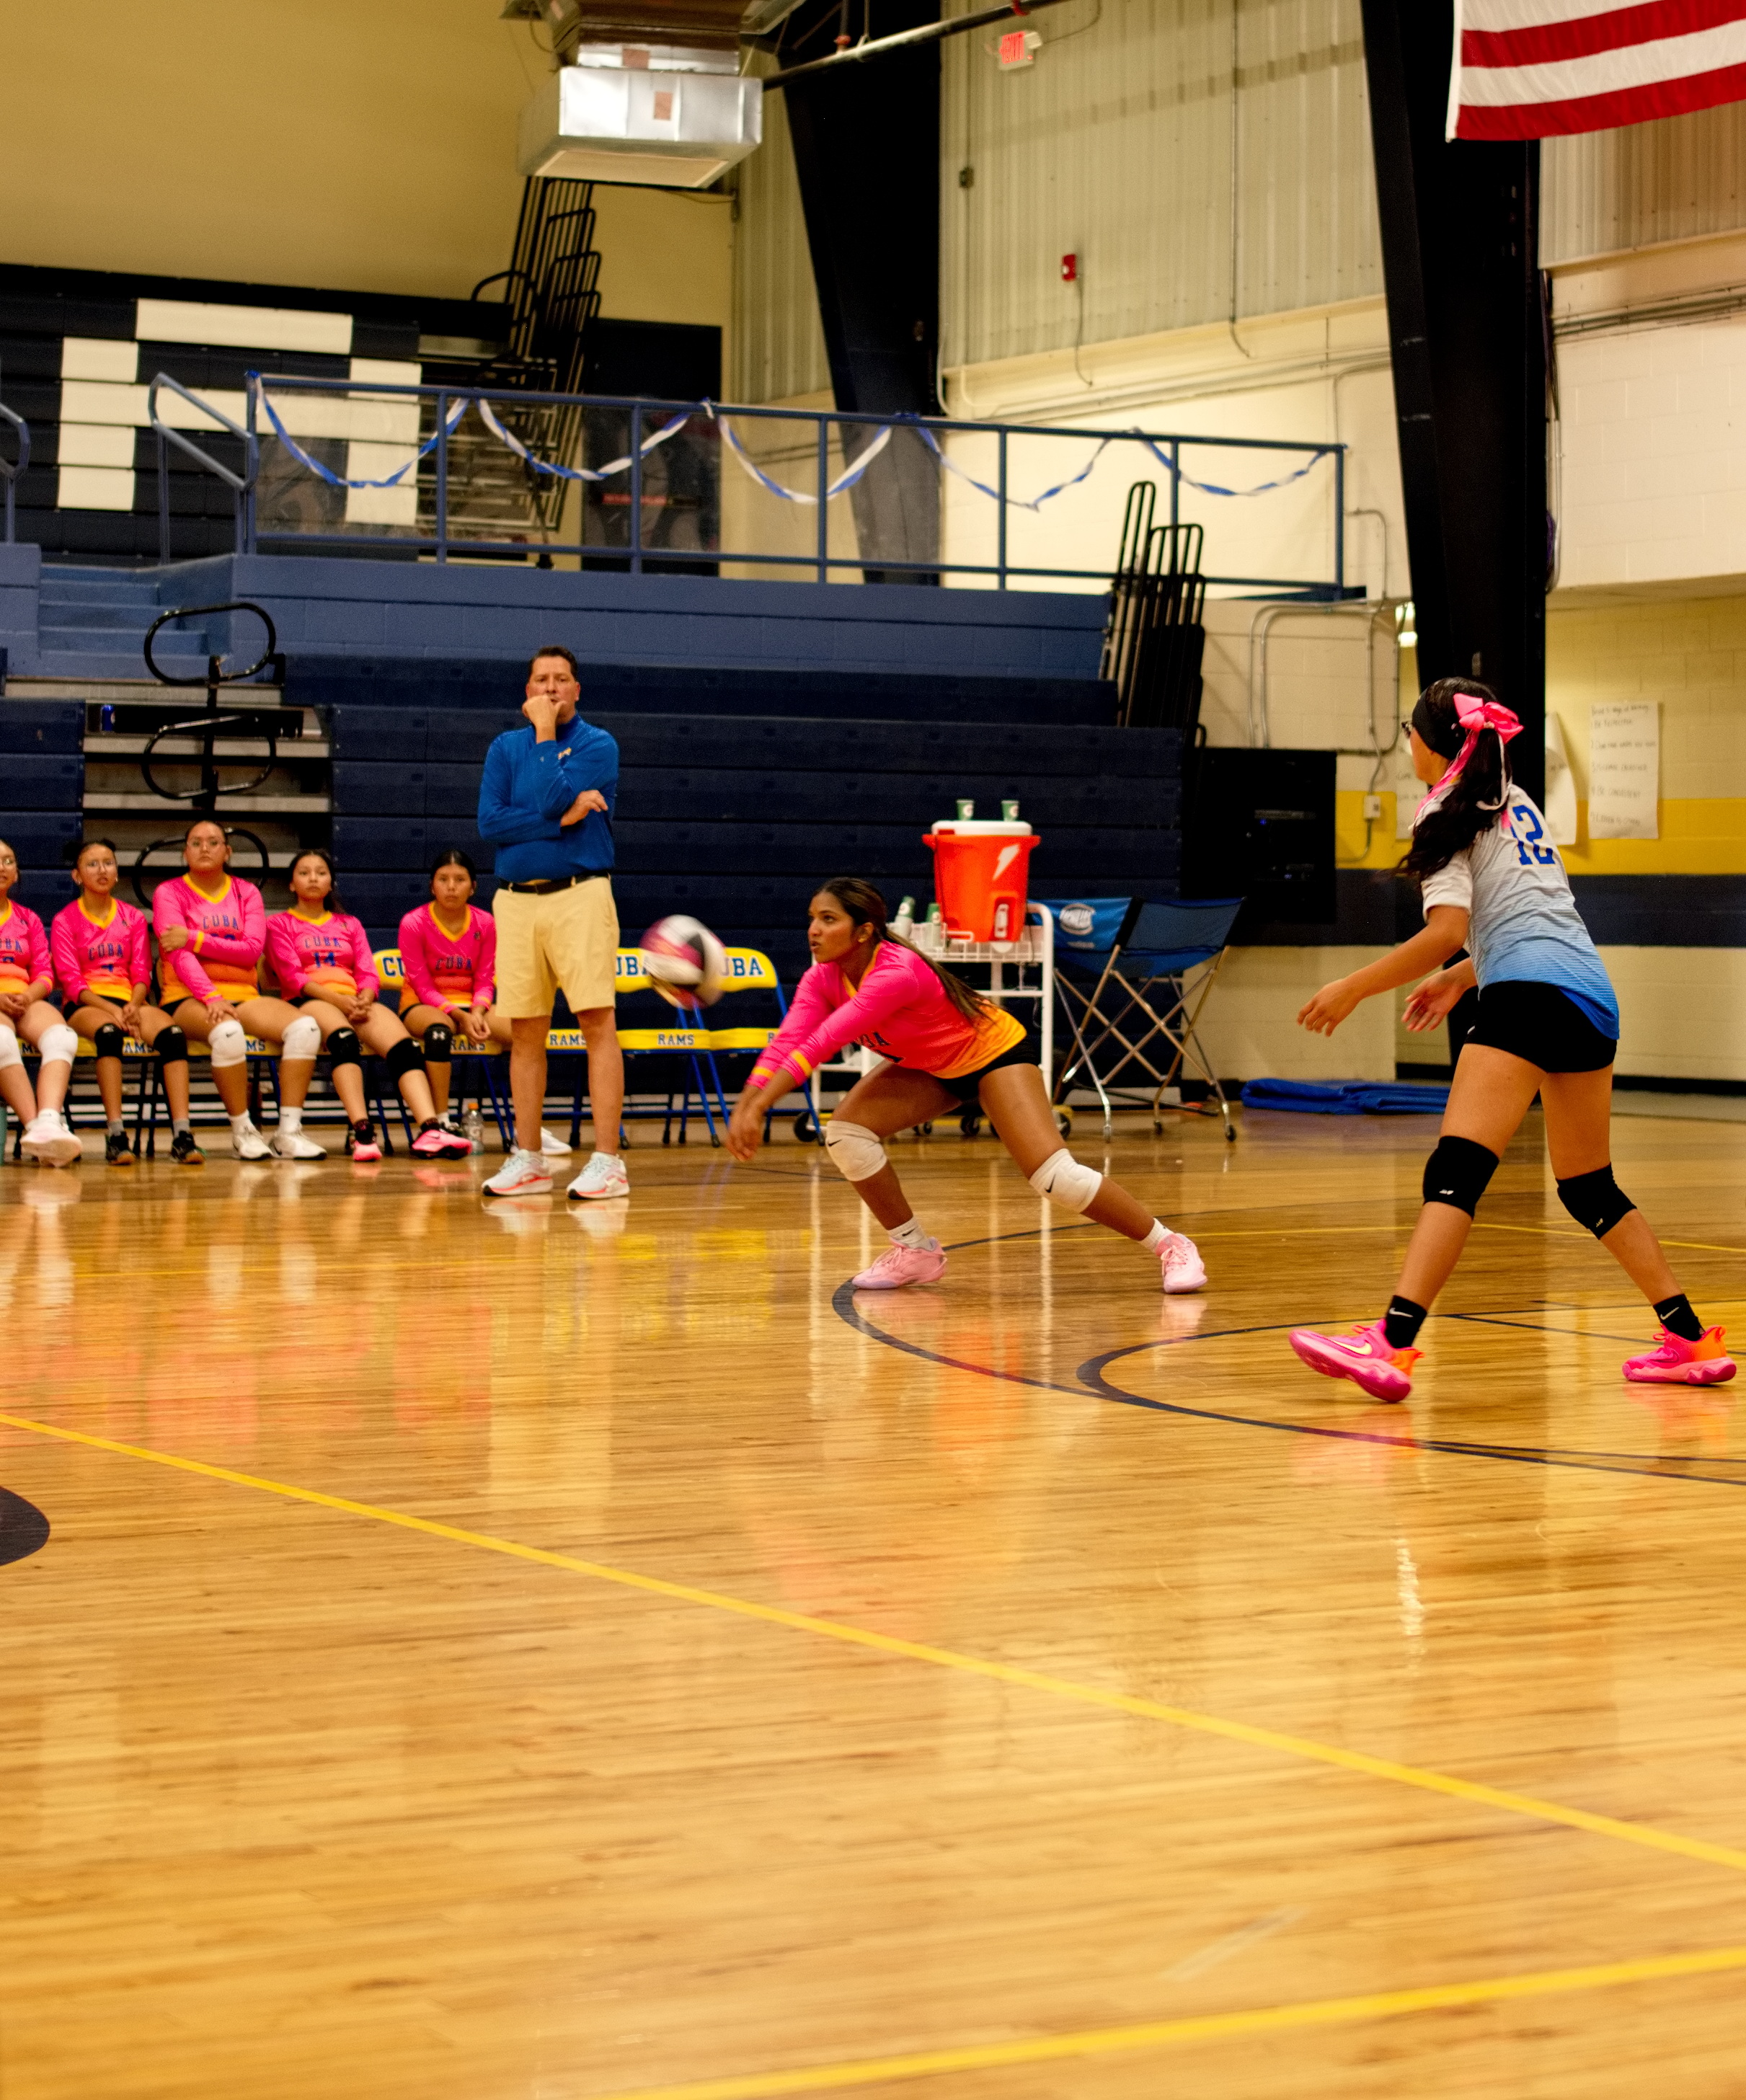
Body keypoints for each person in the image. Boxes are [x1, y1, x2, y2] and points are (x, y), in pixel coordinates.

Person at [1288, 678, 1732, 1397]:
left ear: (1432, 746)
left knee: (1455, 1173)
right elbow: (1530, 919)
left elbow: (1444, 931)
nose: (1406, 744)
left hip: (1526, 999)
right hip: (1589, 1000)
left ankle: (1389, 1342)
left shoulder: (1440, 813)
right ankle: (1685, 1337)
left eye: (1409, 732)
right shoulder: (1515, 804)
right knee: (1588, 1185)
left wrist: (1352, 986)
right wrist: (1464, 979)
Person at [722, 877, 1207, 1293]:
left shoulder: (893, 972)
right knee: (846, 1133)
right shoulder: (823, 977)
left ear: (864, 930)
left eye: (828, 919)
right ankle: (915, 1252)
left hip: (992, 1053)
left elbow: (825, 1040)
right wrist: (747, 1101)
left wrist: (761, 1106)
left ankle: (1170, 1243)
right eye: (812, 918)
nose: (813, 929)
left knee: (1054, 1177)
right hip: (931, 1066)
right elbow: (790, 1038)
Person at [475, 644, 626, 1201]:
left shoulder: (597, 744)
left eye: (561, 680)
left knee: (596, 1022)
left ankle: (608, 1161)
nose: (551, 689)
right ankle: (530, 1156)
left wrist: (544, 739)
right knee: (526, 1031)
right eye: (541, 680)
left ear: (576, 690)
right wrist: (563, 818)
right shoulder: (502, 747)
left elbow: (547, 794)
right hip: (515, 900)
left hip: (580, 894)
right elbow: (490, 823)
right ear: (527, 687)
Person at [265, 848, 471, 1160]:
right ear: (292, 884)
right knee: (345, 1041)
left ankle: (429, 1129)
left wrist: (364, 996)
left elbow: (367, 971)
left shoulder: (349, 924)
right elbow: (293, 978)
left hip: (354, 1000)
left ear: (331, 882)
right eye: (304, 873)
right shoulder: (280, 924)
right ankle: (362, 1132)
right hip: (311, 1000)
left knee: (406, 1048)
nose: (313, 879)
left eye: (321, 873)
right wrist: (339, 1001)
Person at [153, 817, 316, 1161]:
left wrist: (195, 937)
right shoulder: (169, 893)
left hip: (243, 993)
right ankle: (243, 1130)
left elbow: (252, 951)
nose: (204, 848)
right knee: (228, 1033)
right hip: (187, 996)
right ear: (185, 853)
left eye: (213, 842)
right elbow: (178, 954)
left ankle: (288, 1132)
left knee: (306, 1028)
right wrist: (210, 995)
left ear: (227, 852)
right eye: (196, 843)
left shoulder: (247, 892)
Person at [395, 848, 569, 1157]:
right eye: (443, 879)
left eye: (460, 880)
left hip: (473, 1006)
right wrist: (459, 1016)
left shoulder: (486, 922)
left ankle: (526, 1130)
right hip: (424, 1006)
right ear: (432, 885)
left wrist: (476, 1010)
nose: (451, 886)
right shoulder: (413, 922)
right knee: (439, 1032)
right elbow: (421, 984)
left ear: (473, 887)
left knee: (527, 1031)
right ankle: (441, 1124)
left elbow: (486, 977)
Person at [53, 836, 203, 1166]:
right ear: (78, 876)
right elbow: (71, 980)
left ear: (117, 873)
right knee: (109, 1034)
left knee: (174, 1037)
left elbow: (141, 970)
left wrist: (134, 1004)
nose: (102, 870)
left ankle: (182, 1134)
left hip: (130, 1000)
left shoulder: (132, 916)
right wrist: (113, 1011)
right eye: (92, 864)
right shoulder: (65, 920)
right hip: (88, 1003)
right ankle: (116, 1134)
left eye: (108, 863)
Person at [0, 837, 81, 1166]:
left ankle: (48, 1119)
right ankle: (35, 1127)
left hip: (23, 996)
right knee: (2, 1041)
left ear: (17, 873)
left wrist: (29, 995)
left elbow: (46, 973)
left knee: (63, 1036)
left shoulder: (28, 919)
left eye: (8, 861)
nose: (1, 867)